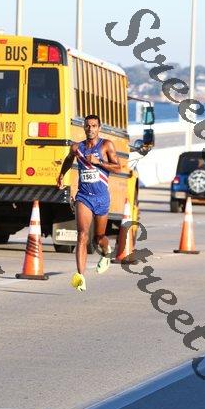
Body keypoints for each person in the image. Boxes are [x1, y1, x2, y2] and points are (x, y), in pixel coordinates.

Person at [56, 114, 121, 291]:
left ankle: (106, 253)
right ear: (84, 128)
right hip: (84, 197)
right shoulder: (77, 147)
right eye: (87, 126)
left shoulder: (106, 145)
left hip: (101, 198)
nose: (90, 129)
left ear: (99, 128)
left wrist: (99, 162)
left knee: (99, 238)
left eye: (94, 126)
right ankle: (81, 276)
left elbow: (118, 167)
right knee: (82, 235)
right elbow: (68, 159)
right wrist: (61, 174)